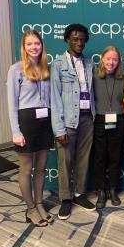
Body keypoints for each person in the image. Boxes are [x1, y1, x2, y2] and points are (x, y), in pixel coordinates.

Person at [7, 29, 54, 226]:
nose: (34, 47)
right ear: (24, 47)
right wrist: (16, 131)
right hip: (26, 122)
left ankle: (39, 203)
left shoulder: (47, 68)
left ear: (42, 45)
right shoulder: (16, 69)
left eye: (37, 43)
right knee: (26, 169)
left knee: (41, 168)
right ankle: (31, 209)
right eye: (29, 44)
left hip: (45, 122)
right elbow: (12, 103)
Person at [50, 23, 95, 220]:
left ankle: (79, 194)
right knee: (65, 160)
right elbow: (54, 98)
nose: (79, 42)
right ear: (67, 39)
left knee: (83, 159)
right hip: (68, 120)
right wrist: (59, 129)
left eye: (82, 39)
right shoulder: (58, 65)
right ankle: (66, 199)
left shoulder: (90, 64)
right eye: (75, 39)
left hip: (87, 118)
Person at [93, 46, 124, 208]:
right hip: (99, 119)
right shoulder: (93, 75)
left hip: (118, 119)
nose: (111, 62)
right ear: (102, 59)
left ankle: (113, 189)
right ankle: (101, 190)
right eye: (108, 59)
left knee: (115, 156)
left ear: (118, 61)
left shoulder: (123, 76)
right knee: (99, 157)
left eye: (114, 59)